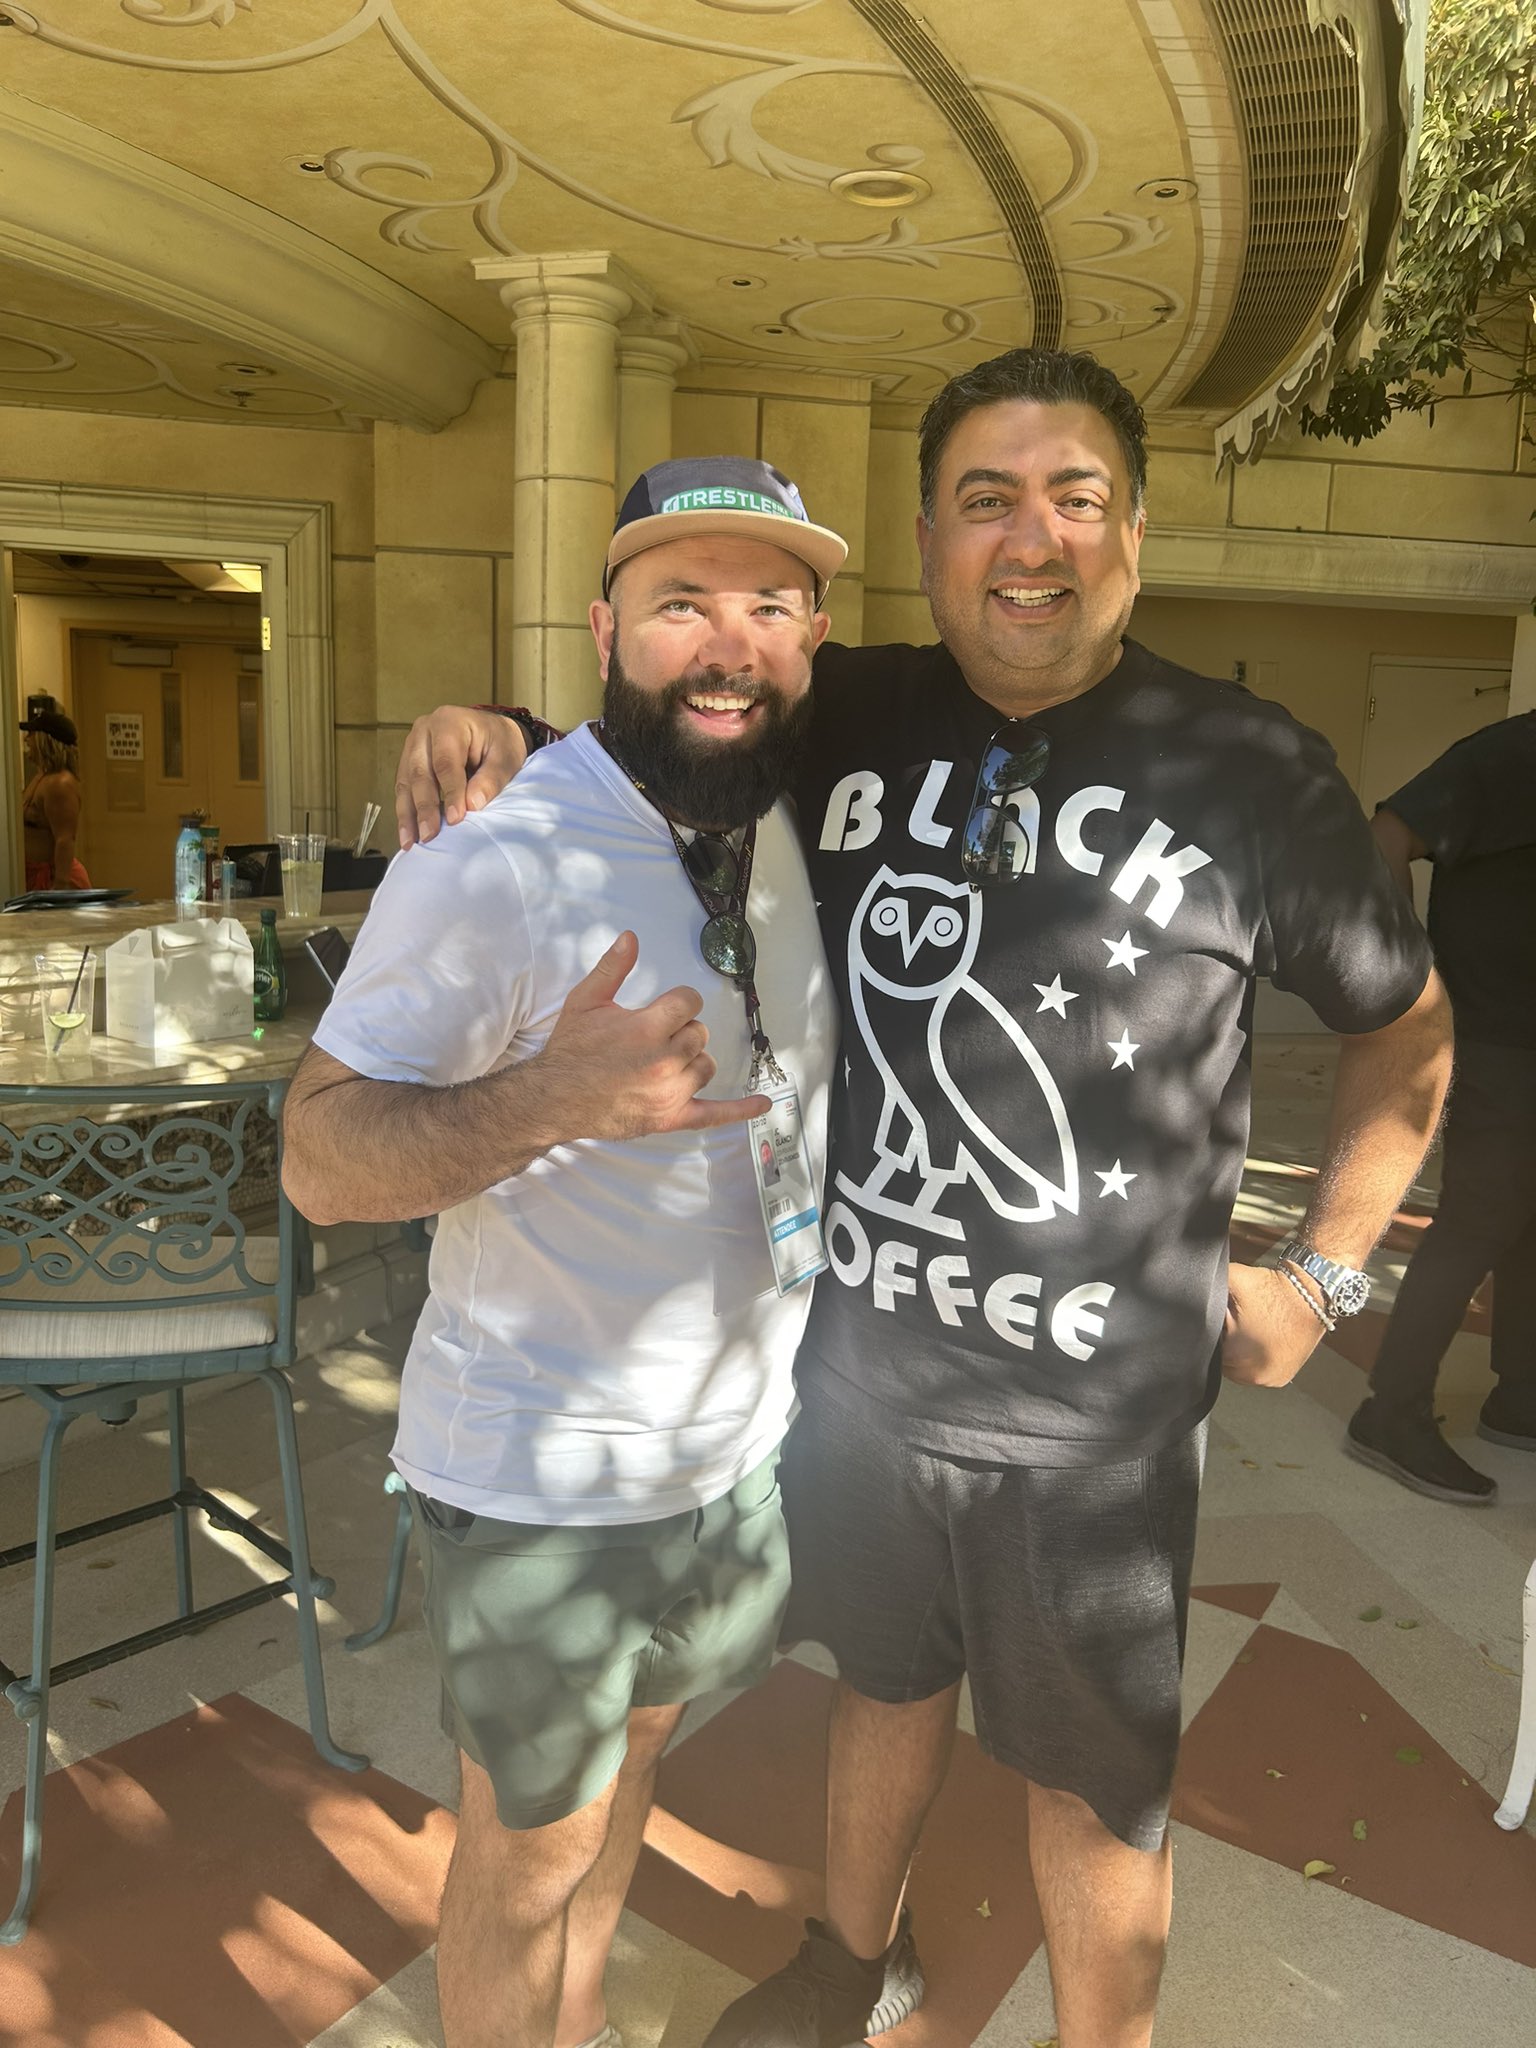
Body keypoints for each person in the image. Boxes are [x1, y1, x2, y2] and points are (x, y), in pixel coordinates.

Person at [393, 347, 1453, 2048]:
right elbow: (678, 715)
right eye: (986, 498)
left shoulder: (1253, 764)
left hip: (1093, 1425)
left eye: (1075, 496)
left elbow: (1407, 1027)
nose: (1032, 537)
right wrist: (496, 730)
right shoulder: (850, 710)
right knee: (880, 1683)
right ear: (926, 540)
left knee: (1095, 1781)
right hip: (862, 1372)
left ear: (1133, 532)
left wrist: (1322, 1276)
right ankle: (850, 1959)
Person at [281, 457, 846, 2048]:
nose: (728, 643)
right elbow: (317, 1162)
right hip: (547, 1474)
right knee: (529, 1854)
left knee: (635, 1772)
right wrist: (554, 1099)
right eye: (680, 604)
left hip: (732, 1454)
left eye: (770, 604)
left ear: (813, 639)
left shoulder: (780, 813)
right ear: (607, 630)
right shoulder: (495, 858)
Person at [1346, 711, 1536, 1505]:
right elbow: (1387, 834)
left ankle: (1520, 1396)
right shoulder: (1514, 751)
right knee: (1476, 1221)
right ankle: (1389, 1413)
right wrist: (1410, 974)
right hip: (1495, 1039)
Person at [19, 705, 90, 891]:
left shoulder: (60, 783)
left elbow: (64, 839)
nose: (26, 739)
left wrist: (60, 886)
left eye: (31, 734)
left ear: (44, 740)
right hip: (34, 878)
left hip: (55, 880)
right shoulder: (42, 777)